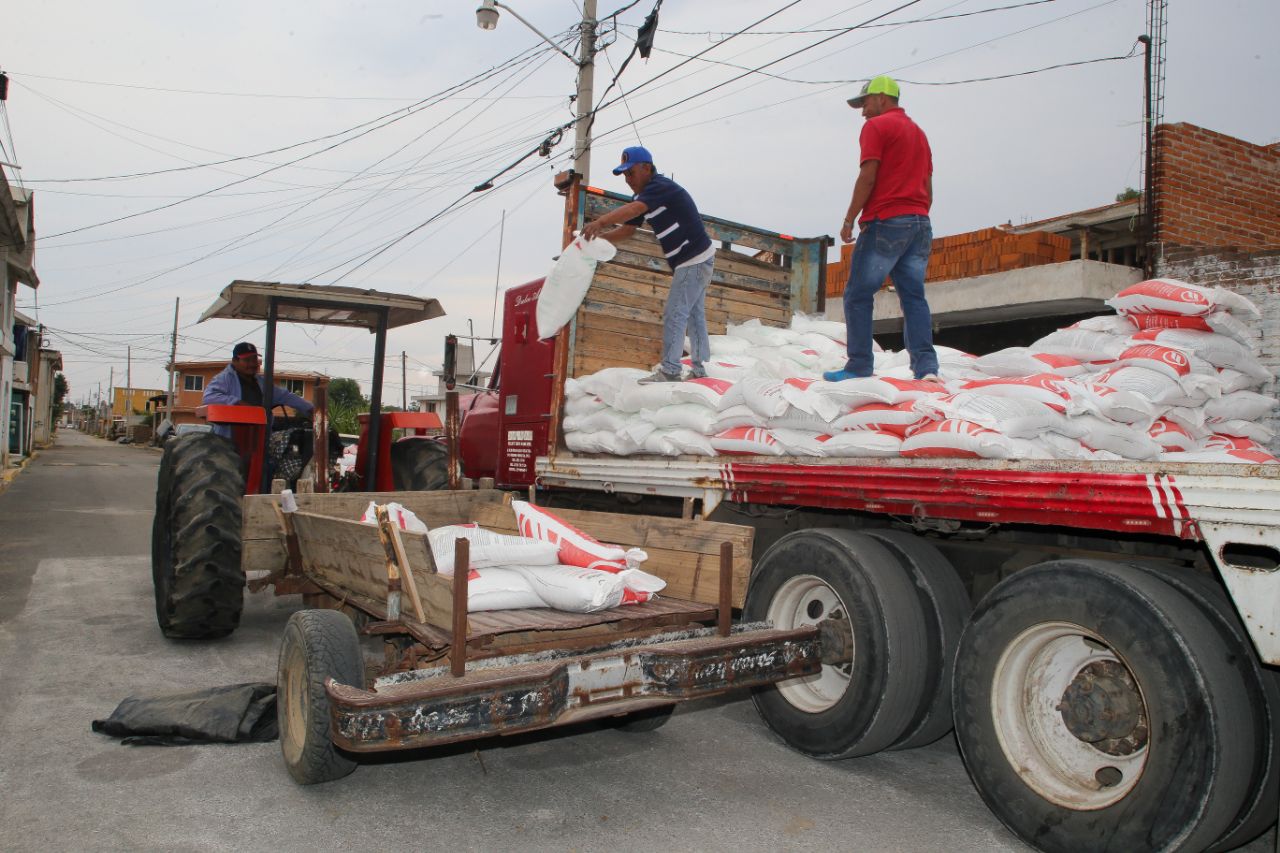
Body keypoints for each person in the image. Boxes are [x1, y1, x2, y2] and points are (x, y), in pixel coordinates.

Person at [823, 75, 940, 383]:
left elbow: (868, 176)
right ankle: (926, 368)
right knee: (914, 297)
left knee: (857, 295)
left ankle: (859, 365)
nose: (863, 112)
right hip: (919, 222)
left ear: (881, 99)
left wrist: (850, 218)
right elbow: (928, 184)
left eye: (865, 103)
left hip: (886, 221)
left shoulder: (877, 127)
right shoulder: (919, 134)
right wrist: (918, 217)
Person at [581, 145, 715, 384]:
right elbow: (628, 230)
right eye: (624, 175)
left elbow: (634, 209)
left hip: (693, 259)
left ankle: (671, 371)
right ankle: (700, 368)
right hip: (696, 259)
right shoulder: (644, 195)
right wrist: (598, 239)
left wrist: (600, 222)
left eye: (630, 173)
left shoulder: (659, 187)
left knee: (675, 313)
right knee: (694, 314)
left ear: (646, 167)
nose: (628, 179)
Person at [203, 342, 314, 438]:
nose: (252, 364)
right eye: (247, 360)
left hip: (259, 438)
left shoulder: (261, 382)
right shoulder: (224, 378)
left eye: (254, 359)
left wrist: (311, 410)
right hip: (228, 439)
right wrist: (236, 402)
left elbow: (286, 396)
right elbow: (209, 397)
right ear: (235, 361)